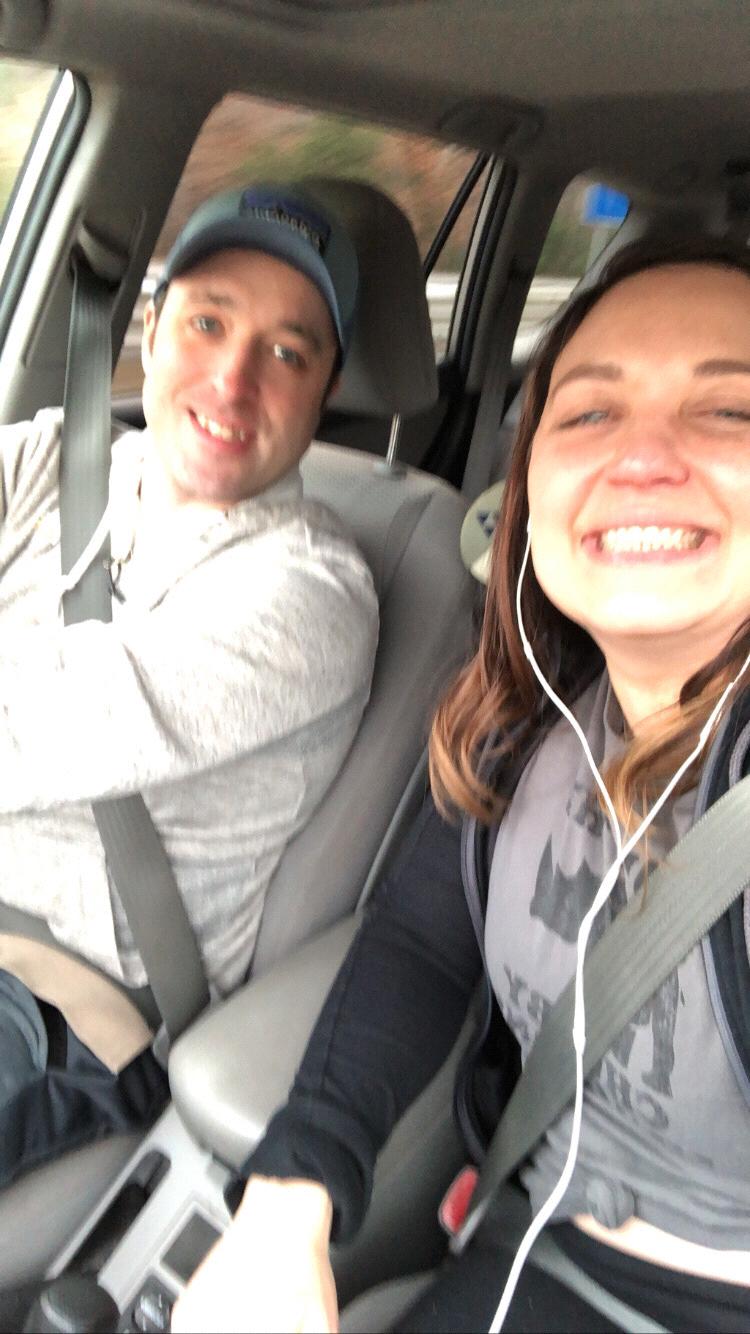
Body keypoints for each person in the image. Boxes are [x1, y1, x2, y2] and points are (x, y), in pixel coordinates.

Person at [172, 233, 750, 1334]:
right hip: (524, 1232)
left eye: (731, 410)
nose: (643, 457)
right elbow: (420, 942)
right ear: (527, 484)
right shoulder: (524, 720)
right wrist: (288, 1200)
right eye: (590, 412)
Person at [0, 182, 379, 1186]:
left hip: (59, 997)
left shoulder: (312, 596)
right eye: (208, 323)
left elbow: (39, 728)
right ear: (152, 328)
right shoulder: (48, 460)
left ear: (329, 385)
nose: (233, 380)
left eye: (286, 353)